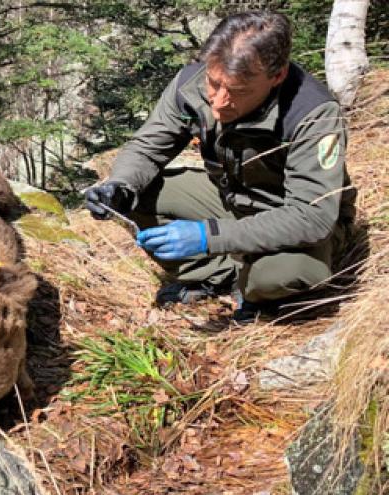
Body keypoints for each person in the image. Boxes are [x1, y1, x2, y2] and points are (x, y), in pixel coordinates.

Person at [84, 11, 354, 323]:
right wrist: (118, 186)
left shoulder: (312, 113)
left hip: (289, 217)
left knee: (283, 274)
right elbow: (147, 147)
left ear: (276, 76)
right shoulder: (191, 84)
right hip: (233, 198)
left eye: (239, 92)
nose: (219, 102)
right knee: (136, 196)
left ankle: (254, 290)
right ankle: (224, 277)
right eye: (214, 83)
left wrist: (207, 236)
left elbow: (312, 216)